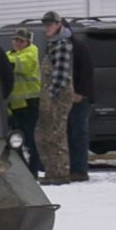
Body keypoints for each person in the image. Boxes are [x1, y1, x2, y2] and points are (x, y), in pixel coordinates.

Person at [35, 11, 75, 185]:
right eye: (45, 24)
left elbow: (61, 75)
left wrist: (50, 96)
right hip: (48, 97)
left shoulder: (62, 45)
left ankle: (60, 173)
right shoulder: (52, 45)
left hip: (58, 97)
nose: (47, 27)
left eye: (50, 24)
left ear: (59, 24)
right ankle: (51, 170)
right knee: (42, 134)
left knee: (56, 135)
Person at [6, 28, 42, 177]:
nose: (18, 43)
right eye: (16, 40)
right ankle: (23, 168)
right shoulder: (9, 55)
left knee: (30, 138)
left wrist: (3, 61)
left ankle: (33, 169)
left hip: (29, 103)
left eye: (21, 41)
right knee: (17, 139)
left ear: (28, 42)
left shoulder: (31, 53)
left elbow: (22, 64)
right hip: (14, 105)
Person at [64, 20, 94, 182]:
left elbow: (86, 72)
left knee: (79, 133)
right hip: (65, 98)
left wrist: (80, 93)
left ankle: (79, 169)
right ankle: (70, 167)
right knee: (68, 133)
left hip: (79, 98)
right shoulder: (59, 49)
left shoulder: (79, 48)